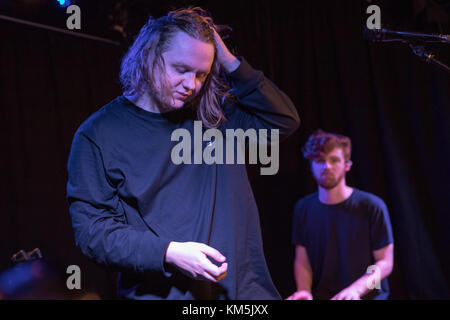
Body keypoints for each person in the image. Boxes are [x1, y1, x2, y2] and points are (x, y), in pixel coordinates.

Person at [66, 7, 299, 300]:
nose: (192, 85)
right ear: (149, 57)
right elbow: (92, 233)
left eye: (201, 74)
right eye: (181, 69)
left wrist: (228, 60)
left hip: (245, 295)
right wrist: (169, 252)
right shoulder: (98, 134)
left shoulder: (215, 115)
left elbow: (284, 122)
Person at [287, 130, 394, 300]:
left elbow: (385, 263)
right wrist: (304, 291)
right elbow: (302, 260)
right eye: (320, 160)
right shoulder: (303, 208)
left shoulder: (371, 206)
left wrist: (356, 290)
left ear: (347, 165)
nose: (326, 166)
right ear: (311, 165)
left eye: (334, 160)